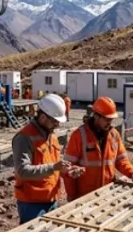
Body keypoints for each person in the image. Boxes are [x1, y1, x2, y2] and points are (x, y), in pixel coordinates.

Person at [12, 94, 82, 224]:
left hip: (51, 199)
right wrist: (54, 167)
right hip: (31, 203)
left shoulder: (52, 137)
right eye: (55, 121)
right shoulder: (24, 137)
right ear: (43, 117)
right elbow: (22, 171)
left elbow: (54, 167)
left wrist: (67, 171)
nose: (57, 125)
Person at [63, 97, 133, 201]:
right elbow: (68, 168)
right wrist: (71, 195)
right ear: (96, 116)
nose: (110, 122)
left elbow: (121, 160)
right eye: (107, 119)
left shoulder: (114, 135)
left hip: (106, 193)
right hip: (85, 196)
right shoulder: (79, 135)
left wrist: (132, 173)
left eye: (111, 119)